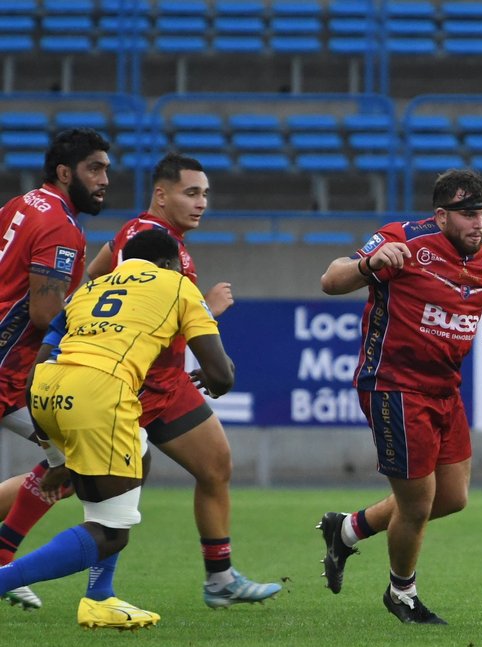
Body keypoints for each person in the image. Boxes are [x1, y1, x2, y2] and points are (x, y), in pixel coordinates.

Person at [0, 153, 282, 611]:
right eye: (191, 192)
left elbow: (96, 280)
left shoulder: (145, 240)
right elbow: (212, 361)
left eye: (205, 194)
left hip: (146, 380)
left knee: (212, 465)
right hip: (127, 384)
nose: (201, 203)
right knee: (80, 490)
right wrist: (206, 309)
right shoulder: (145, 237)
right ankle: (77, 587)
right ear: (161, 194)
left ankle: (219, 576)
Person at [0, 228, 235, 629]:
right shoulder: (178, 284)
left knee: (138, 450)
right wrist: (217, 380)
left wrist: (57, 456)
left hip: (46, 388)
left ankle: (100, 597)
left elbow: (40, 363)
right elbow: (220, 374)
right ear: (170, 264)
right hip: (100, 393)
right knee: (110, 532)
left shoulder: (89, 290)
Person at [318, 169, 482, 625]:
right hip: (394, 386)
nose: (479, 224)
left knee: (452, 497)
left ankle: (346, 529)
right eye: (468, 215)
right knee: (417, 504)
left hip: (446, 389)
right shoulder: (403, 240)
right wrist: (370, 264)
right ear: (441, 215)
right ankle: (401, 594)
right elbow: (331, 280)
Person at [0, 129, 108, 611]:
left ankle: (4, 562)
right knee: (74, 461)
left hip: (15, 374)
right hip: (8, 369)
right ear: (66, 173)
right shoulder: (61, 227)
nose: (104, 179)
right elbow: (46, 313)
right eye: (94, 169)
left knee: (67, 461)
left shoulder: (22, 204)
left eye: (105, 168)